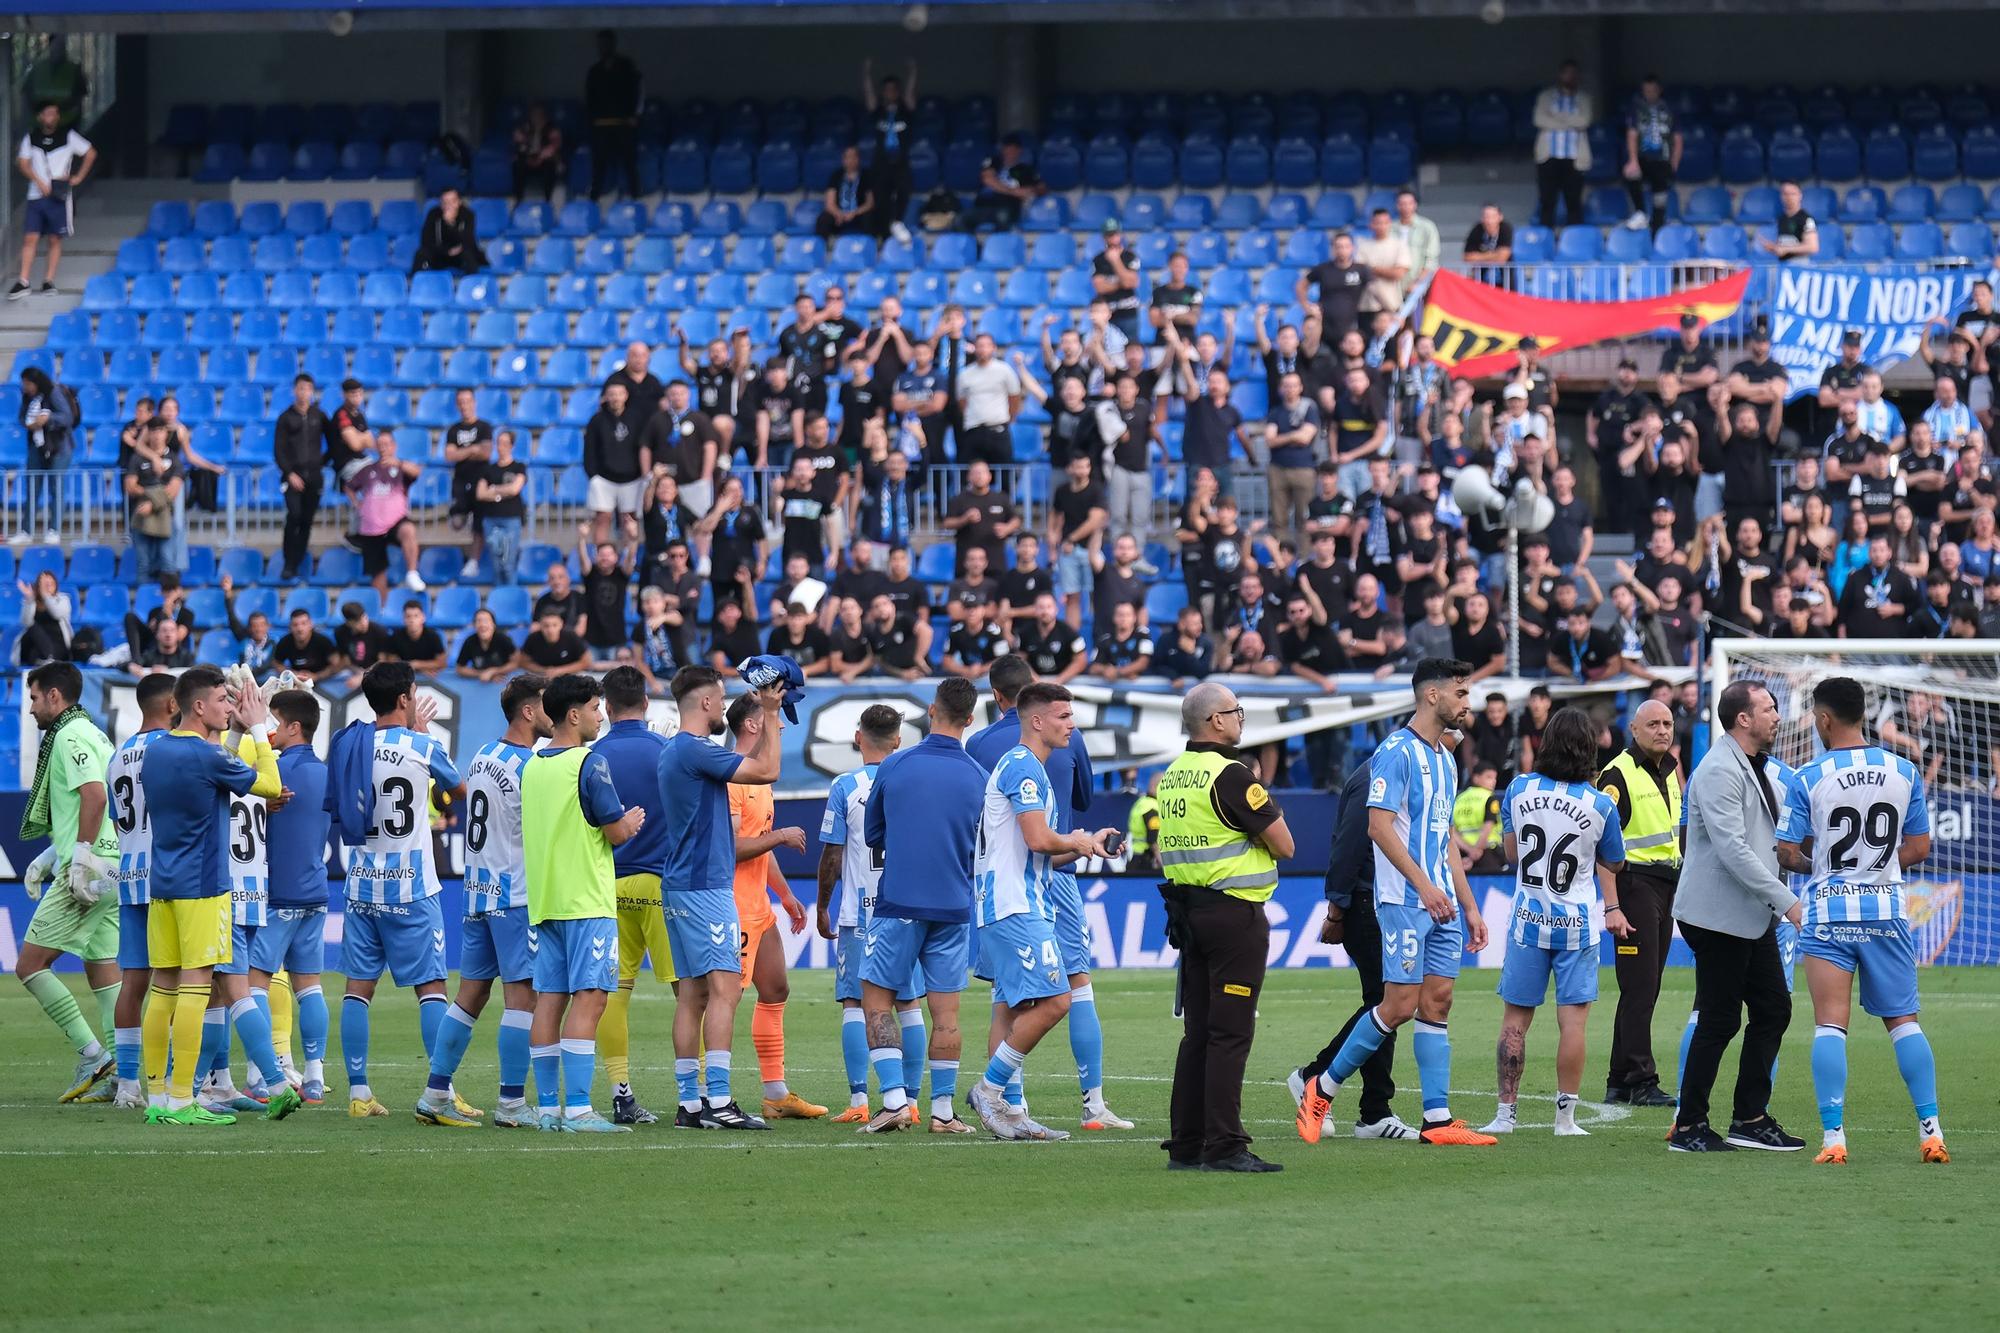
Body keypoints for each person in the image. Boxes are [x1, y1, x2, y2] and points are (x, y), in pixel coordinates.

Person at [1298, 659, 1495, 1147]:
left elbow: (1446, 839)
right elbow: (1377, 828)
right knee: (1398, 1005)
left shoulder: (1446, 759)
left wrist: (1467, 904)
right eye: (1461, 693)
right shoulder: (1395, 753)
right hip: (1405, 901)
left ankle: (1437, 1119)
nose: (1468, 704)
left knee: (1438, 1003)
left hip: (1443, 903)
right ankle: (1319, 1088)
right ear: (1432, 696)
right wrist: (1423, 886)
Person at [1774, 676, 1947, 1165]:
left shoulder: (1807, 776)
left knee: (1830, 1026)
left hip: (1829, 913)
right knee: (1904, 1024)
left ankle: (1834, 1141)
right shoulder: (1905, 770)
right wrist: (1880, 863)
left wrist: (1822, 863)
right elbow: (1918, 847)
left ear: (1824, 720)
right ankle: (1932, 1134)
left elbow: (1787, 851)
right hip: (1887, 910)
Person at [968, 657, 1130, 1130]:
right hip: (1015, 905)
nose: (1072, 726)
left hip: (1017, 898)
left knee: (1010, 1003)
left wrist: (1085, 845)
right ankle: (990, 1090)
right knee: (1059, 999)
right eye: (1064, 717)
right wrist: (1076, 839)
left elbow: (1040, 852)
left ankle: (1010, 1112)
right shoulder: (1022, 766)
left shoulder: (1032, 766)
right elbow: (1040, 839)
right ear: (1036, 720)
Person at [1158, 681, 1296, 1172]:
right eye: (1235, 711)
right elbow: (1285, 845)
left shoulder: (1173, 776)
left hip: (1188, 916)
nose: (1240, 719)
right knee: (1230, 1033)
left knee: (1197, 1032)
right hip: (1234, 916)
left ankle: (1187, 1144)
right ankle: (1225, 1146)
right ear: (1215, 721)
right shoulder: (1233, 775)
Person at [138, 665, 283, 1126]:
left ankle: (159, 1097)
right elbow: (271, 786)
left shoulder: (157, 750)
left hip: (162, 885)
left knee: (161, 988)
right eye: (223, 700)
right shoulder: (206, 757)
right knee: (196, 990)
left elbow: (215, 764)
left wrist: (234, 730)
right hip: (203, 888)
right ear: (199, 706)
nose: (231, 705)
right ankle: (184, 1098)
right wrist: (258, 726)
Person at [1478, 707, 1629, 1137]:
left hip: (1527, 919)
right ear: (1588, 749)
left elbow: (1510, 853)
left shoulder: (1520, 789)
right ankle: (1565, 1118)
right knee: (1573, 1022)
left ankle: (1505, 1115)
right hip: (1577, 925)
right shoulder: (1600, 804)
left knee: (1514, 1020)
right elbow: (1614, 863)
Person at [325, 661, 464, 1120]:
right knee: (431, 990)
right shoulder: (421, 745)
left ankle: (359, 1093)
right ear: (405, 699)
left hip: (361, 884)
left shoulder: (348, 745)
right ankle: (440, 1091)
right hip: (412, 888)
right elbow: (458, 790)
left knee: (357, 991)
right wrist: (425, 734)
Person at [1670, 680, 1804, 1153]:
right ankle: (1688, 1127)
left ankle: (1750, 1118)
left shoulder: (1756, 764)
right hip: (1716, 915)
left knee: (1772, 1008)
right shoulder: (1718, 769)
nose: (1777, 716)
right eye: (1769, 708)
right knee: (1721, 1018)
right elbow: (1733, 850)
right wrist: (1787, 901)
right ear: (1743, 718)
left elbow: (1764, 843)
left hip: (1748, 913)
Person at [511, 674, 644, 1132]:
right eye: (594, 708)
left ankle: (548, 1108)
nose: (601, 715)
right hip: (587, 900)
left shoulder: (532, 766)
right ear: (574, 714)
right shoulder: (589, 763)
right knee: (590, 1000)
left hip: (546, 901)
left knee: (550, 1000)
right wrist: (631, 821)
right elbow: (614, 832)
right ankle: (581, 1109)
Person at [656, 665, 783, 1130]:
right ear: (706, 702)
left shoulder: (673, 751)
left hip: (679, 884)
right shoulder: (698, 750)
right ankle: (721, 1102)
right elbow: (768, 769)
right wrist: (769, 712)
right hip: (706, 886)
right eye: (722, 695)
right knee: (726, 991)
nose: (726, 704)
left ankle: (690, 1104)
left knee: (691, 996)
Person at [858, 676, 988, 1132]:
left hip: (900, 901)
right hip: (954, 905)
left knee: (876, 1000)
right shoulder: (980, 778)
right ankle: (943, 1113)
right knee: (946, 1014)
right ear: (970, 719)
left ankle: (894, 1101)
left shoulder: (895, 766)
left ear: (932, 711)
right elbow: (983, 848)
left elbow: (874, 834)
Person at [425, 674, 551, 1129]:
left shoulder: (481, 756)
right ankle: (513, 1104)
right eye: (547, 705)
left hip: (477, 893)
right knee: (523, 998)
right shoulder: (528, 767)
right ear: (528, 711)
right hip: (515, 895)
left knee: (470, 996)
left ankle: (435, 1092)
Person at [819, 705, 940, 1126]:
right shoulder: (911, 778)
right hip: (906, 907)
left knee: (856, 1002)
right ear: (898, 741)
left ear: (858, 738)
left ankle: (859, 1099)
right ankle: (912, 1100)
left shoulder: (845, 786)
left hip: (860, 912)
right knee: (908, 1003)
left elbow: (832, 853)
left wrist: (822, 904)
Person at [1286, 760, 1418, 1143]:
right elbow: (1350, 843)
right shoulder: (1379, 773)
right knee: (1388, 1002)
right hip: (1368, 902)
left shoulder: (1417, 768)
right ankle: (1325, 1082)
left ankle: (1371, 1109)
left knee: (1385, 1001)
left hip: (1391, 902)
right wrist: (1337, 908)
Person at [14, 661, 123, 1102]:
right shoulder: (93, 732)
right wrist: (49, 854)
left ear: (54, 696)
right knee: (104, 973)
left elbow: (95, 796)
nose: (31, 709)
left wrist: (76, 859)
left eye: (35, 698)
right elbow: (97, 803)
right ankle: (124, 1073)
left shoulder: (69, 736)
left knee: (29, 966)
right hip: (113, 863)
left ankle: (93, 1054)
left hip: (91, 867)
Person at [723, 690, 825, 1123]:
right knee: (724, 1000)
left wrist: (784, 895)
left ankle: (775, 1093)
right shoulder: (730, 779)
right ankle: (712, 1096)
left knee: (776, 988)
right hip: (730, 906)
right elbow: (729, 847)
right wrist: (780, 838)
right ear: (752, 725)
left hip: (759, 905)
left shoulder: (760, 780)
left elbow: (760, 844)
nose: (780, 725)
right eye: (773, 718)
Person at [1596, 697, 1683, 1105]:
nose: (1663, 730)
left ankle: (1619, 1079)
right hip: (1634, 884)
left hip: (1665, 884)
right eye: (1653, 724)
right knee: (1640, 985)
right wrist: (1612, 905)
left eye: (1667, 723)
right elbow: (1603, 846)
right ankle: (1642, 1080)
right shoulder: (1617, 774)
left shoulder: (1670, 768)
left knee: (1644, 986)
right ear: (1634, 729)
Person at [247, 690, 330, 1104]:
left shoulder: (275, 773)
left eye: (273, 721)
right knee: (309, 986)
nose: (268, 729)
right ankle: (314, 1077)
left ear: (294, 727)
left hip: (280, 893)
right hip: (316, 889)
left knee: (253, 982)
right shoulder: (324, 771)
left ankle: (266, 1075)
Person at [14, 100, 94, 299]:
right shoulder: (31, 137)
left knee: (54, 238)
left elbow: (90, 153)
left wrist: (78, 177)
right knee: (30, 237)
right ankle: (23, 281)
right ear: (41, 116)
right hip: (35, 195)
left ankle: (48, 281)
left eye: (54, 113)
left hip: (59, 194)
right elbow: (23, 163)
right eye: (48, 113)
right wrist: (38, 181)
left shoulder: (68, 135)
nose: (51, 117)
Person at [346, 431, 426, 597]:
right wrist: (357, 503)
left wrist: (399, 463)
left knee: (408, 530)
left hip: (395, 521)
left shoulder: (401, 468)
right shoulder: (367, 470)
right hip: (371, 527)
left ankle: (412, 573)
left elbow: (417, 472)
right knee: (377, 572)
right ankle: (381, 609)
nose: (383, 448)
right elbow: (349, 486)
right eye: (380, 444)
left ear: (394, 446)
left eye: (387, 444)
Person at [272, 374, 334, 581]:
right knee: (294, 515)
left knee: (306, 520)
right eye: (300, 388)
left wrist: (321, 462)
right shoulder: (286, 417)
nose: (304, 392)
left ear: (312, 391)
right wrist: (289, 473)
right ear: (294, 390)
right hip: (293, 478)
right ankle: (288, 562)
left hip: (314, 477)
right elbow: (279, 450)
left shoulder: (319, 415)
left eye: (308, 388)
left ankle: (297, 562)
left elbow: (333, 441)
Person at [1532, 59, 1592, 229]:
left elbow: (1584, 121)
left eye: (1573, 73)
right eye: (1567, 73)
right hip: (1548, 157)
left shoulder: (1584, 98)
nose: (1570, 77)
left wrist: (1556, 116)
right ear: (1560, 75)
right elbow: (1539, 120)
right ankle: (1545, 241)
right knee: (1547, 202)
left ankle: (1575, 242)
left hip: (1574, 158)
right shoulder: (1545, 97)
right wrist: (1570, 121)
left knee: (1574, 203)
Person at [584, 30, 642, 200]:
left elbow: (638, 90)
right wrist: (592, 120)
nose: (603, 47)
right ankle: (593, 200)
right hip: (601, 125)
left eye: (606, 43)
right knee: (598, 165)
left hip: (623, 123)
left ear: (613, 44)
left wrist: (635, 115)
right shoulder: (594, 71)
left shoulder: (626, 66)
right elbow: (589, 98)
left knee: (629, 163)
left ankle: (635, 197)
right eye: (600, 44)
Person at [17, 365, 73, 543]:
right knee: (33, 487)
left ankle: (54, 529)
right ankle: (26, 531)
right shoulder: (27, 397)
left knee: (56, 487)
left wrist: (48, 419)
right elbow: (21, 417)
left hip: (58, 446)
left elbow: (67, 417)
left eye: (28, 383)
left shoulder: (53, 392)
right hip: (37, 446)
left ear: (36, 382)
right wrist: (30, 424)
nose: (25, 387)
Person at [1622, 74, 1681, 232]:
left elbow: (1677, 138)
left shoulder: (1669, 110)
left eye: (1653, 90)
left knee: (1659, 200)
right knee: (1631, 174)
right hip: (1642, 158)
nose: (1649, 94)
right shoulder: (1636, 109)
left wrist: (1674, 162)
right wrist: (1633, 160)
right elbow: (1632, 134)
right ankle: (1640, 213)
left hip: (1662, 160)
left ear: (1659, 90)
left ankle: (1658, 230)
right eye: (1646, 90)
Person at [411, 187, 486, 275]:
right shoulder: (433, 214)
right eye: (445, 202)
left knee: (469, 255)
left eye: (452, 201)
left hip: (460, 254)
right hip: (439, 253)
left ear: (459, 202)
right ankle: (416, 284)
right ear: (441, 204)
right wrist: (447, 251)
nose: (449, 205)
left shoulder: (468, 215)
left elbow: (469, 240)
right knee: (421, 253)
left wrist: (451, 224)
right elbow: (426, 240)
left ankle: (471, 285)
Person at [815, 144, 876, 240]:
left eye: (853, 157)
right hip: (839, 215)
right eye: (847, 157)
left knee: (870, 217)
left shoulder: (866, 175)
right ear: (843, 160)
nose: (850, 160)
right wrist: (838, 213)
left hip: (858, 214)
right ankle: (821, 249)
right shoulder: (836, 175)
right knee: (823, 219)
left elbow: (870, 203)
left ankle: (870, 247)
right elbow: (829, 203)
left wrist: (854, 213)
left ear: (858, 159)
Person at [510, 101, 563, 202]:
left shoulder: (552, 129)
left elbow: (554, 147)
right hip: (528, 160)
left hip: (544, 161)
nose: (536, 117)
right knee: (517, 165)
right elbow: (518, 143)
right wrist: (527, 153)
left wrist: (540, 157)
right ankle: (518, 199)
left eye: (539, 115)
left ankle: (548, 199)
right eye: (534, 115)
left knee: (550, 166)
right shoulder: (525, 127)